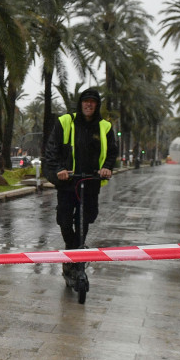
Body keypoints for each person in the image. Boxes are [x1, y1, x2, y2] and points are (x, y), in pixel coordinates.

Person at [42, 88, 118, 276]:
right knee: (65, 221)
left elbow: (111, 152)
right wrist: (59, 169)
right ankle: (73, 250)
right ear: (80, 103)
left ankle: (75, 257)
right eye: (86, 101)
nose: (89, 104)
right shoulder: (65, 122)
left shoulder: (105, 127)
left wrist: (107, 167)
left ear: (97, 105)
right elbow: (52, 150)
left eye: (93, 101)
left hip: (91, 182)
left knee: (86, 219)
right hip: (68, 182)